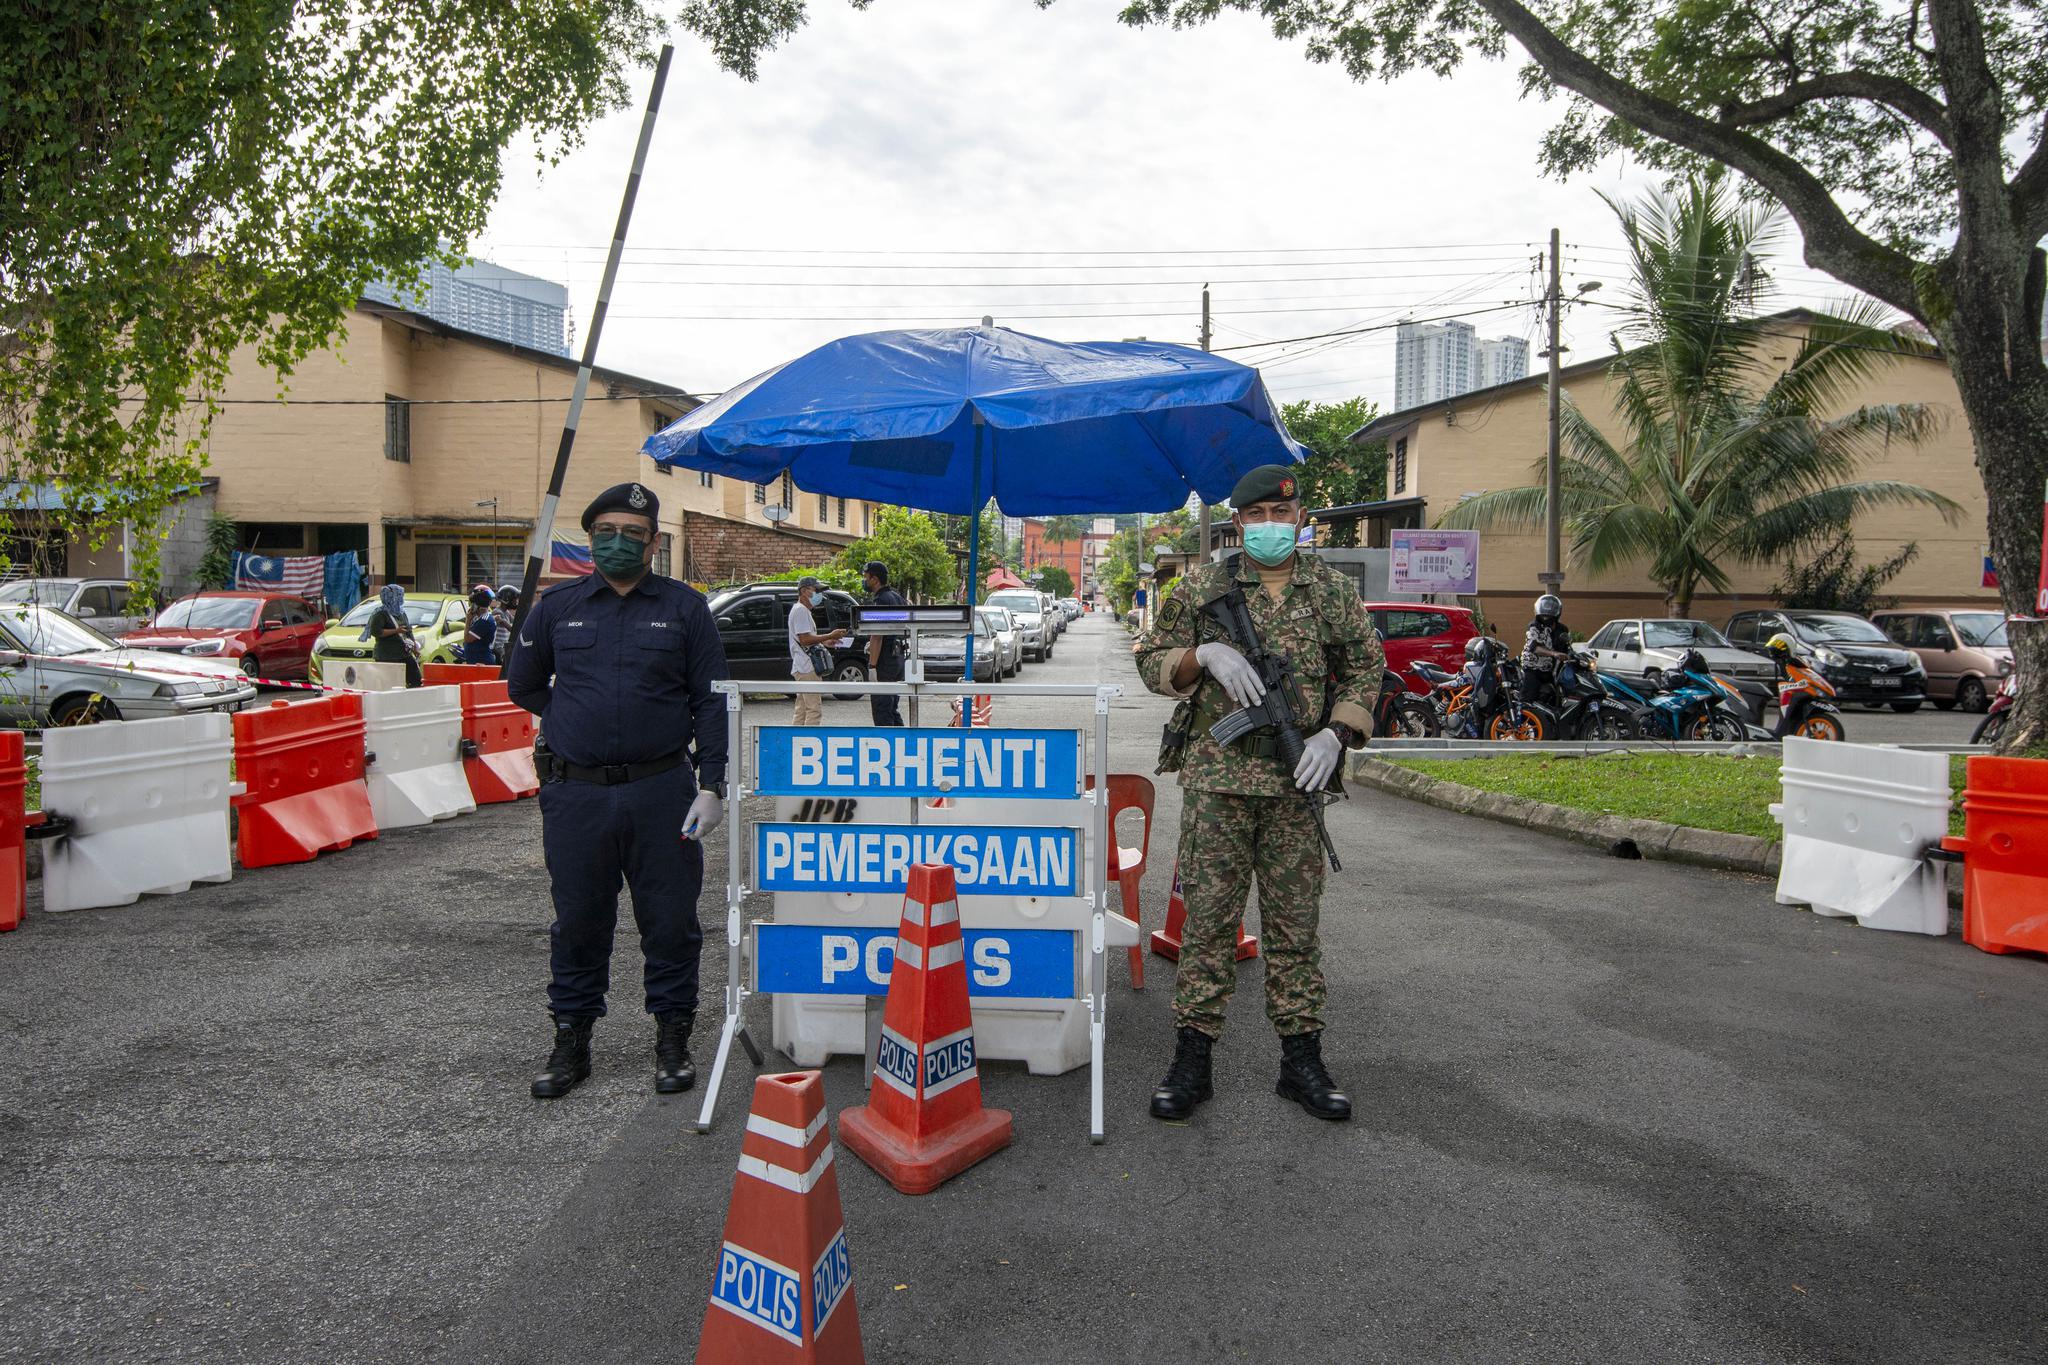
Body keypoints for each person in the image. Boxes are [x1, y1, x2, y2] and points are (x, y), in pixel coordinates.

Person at [1133, 464, 1384, 1125]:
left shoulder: (1328, 590)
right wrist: (1203, 658)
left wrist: (1337, 732)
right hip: (1218, 781)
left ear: (1300, 519)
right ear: (1239, 523)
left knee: (1295, 928)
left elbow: (1365, 663)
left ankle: (1302, 1060)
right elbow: (1152, 658)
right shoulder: (1205, 586)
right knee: (1209, 926)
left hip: (1295, 782)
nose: (1273, 527)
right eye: (1259, 518)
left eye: (1284, 516)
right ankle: (1192, 1059)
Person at [506, 481, 729, 1100]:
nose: (619, 542)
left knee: (670, 919)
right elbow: (523, 685)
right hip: (576, 796)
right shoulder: (557, 607)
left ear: (653, 543)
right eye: (607, 531)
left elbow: (712, 705)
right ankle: (571, 1041)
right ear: (590, 537)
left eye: (634, 533)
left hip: (663, 791)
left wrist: (714, 784)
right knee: (578, 919)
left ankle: (672, 1039)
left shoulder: (686, 609)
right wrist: (575, 717)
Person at [787, 576, 846, 726]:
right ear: (804, 591)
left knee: (802, 709)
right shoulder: (801, 611)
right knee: (814, 709)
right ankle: (807, 743)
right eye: (817, 590)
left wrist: (827, 642)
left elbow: (808, 638)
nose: (820, 595)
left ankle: (796, 740)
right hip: (807, 667)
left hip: (802, 666)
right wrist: (830, 635)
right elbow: (805, 639)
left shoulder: (802, 610)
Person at [861, 559, 907, 727]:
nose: (864, 581)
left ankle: (889, 747)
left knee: (882, 711)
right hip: (898, 660)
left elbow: (877, 635)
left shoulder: (881, 600)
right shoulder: (896, 597)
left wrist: (872, 666)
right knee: (892, 708)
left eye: (866, 577)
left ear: (875, 579)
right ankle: (903, 744)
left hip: (885, 662)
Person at [362, 582, 422, 687]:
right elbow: (376, 632)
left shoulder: (401, 612)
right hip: (387, 655)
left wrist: (414, 648)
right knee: (390, 683)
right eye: (399, 596)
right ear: (392, 597)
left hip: (403, 653)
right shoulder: (380, 614)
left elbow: (408, 631)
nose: (401, 599)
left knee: (416, 679)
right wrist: (396, 631)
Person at [1520, 594, 1573, 709]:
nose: (1546, 615)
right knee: (1527, 699)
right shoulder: (1534, 626)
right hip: (1533, 668)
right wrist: (1554, 653)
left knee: (1555, 698)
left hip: (1552, 671)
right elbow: (1534, 647)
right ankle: (1522, 721)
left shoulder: (1562, 629)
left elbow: (1567, 647)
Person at [459, 584, 498, 665]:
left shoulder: (484, 621)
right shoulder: (482, 618)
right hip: (476, 662)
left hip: (481, 663)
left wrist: (468, 619)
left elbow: (467, 638)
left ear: (476, 605)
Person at [491, 584, 521, 665]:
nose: (516, 602)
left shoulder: (506, 612)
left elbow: (516, 622)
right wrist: (503, 621)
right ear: (507, 599)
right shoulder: (498, 612)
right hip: (498, 647)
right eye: (514, 600)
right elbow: (512, 629)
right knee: (507, 665)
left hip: (504, 646)